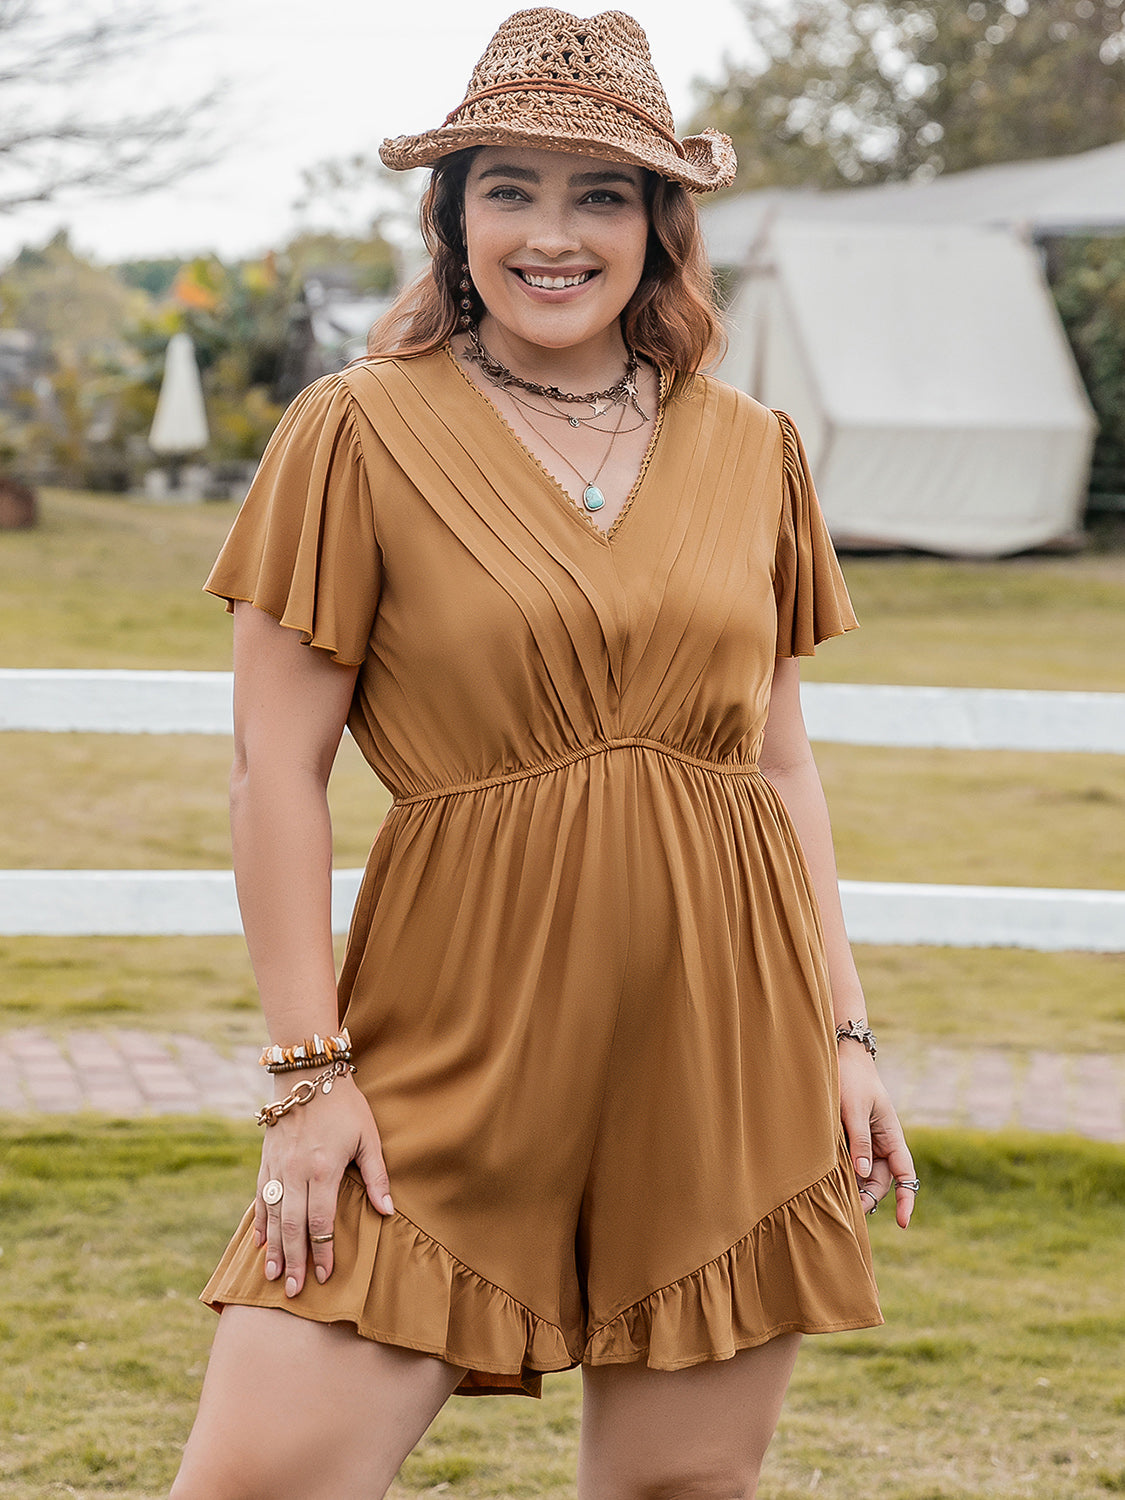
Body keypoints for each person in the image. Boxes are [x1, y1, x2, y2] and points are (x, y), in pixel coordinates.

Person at [171, 9, 918, 1498]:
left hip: (723, 1036)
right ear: (453, 219)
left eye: (600, 193)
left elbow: (778, 767)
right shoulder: (356, 432)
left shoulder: (753, 448)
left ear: (659, 225)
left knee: (677, 1489)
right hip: (451, 1032)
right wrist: (308, 1076)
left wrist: (844, 1037)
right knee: (264, 1483)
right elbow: (274, 774)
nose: (554, 234)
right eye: (509, 188)